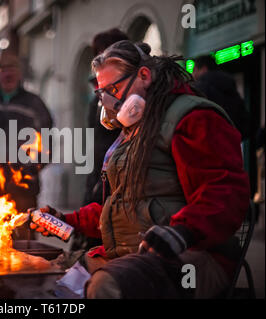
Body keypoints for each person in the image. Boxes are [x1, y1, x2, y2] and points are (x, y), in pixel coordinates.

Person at [31, 40, 250, 299]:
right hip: (128, 256)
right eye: (102, 93)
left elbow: (225, 194)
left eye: (114, 88)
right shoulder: (132, 133)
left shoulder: (194, 118)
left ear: (144, 76)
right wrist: (64, 221)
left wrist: (182, 231)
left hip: (192, 257)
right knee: (41, 282)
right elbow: (121, 207)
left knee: (105, 288)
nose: (109, 102)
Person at [0, 51, 53, 239]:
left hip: (24, 188)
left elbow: (46, 140)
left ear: (19, 73)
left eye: (12, 69)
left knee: (24, 241)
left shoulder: (34, 104)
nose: (7, 74)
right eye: (3, 69)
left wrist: (30, 169)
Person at [83, 28, 128, 208]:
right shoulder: (96, 100)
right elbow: (95, 147)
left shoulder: (133, 97)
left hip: (123, 186)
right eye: (98, 55)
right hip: (100, 180)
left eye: (107, 54)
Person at [192, 55, 250, 140]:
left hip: (210, 143)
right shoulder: (229, 85)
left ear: (204, 69)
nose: (193, 74)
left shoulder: (200, 88)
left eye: (194, 70)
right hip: (231, 141)